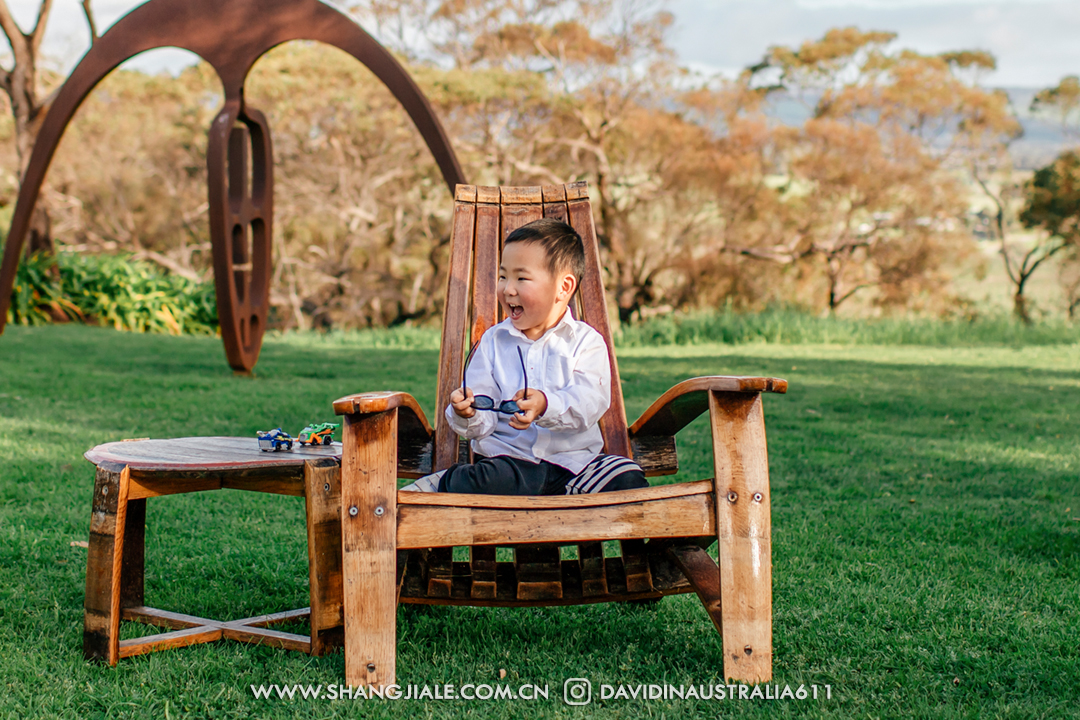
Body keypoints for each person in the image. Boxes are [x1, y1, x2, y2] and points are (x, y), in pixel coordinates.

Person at [401, 217, 647, 495]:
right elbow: (482, 420)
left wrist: (546, 405)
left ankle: (670, 541)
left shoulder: (586, 342)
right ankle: (442, 484)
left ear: (563, 287)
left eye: (521, 277)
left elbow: (590, 401)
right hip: (510, 465)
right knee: (491, 479)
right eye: (503, 276)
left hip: (576, 465)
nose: (508, 289)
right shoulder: (493, 342)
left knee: (627, 477)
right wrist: (467, 413)